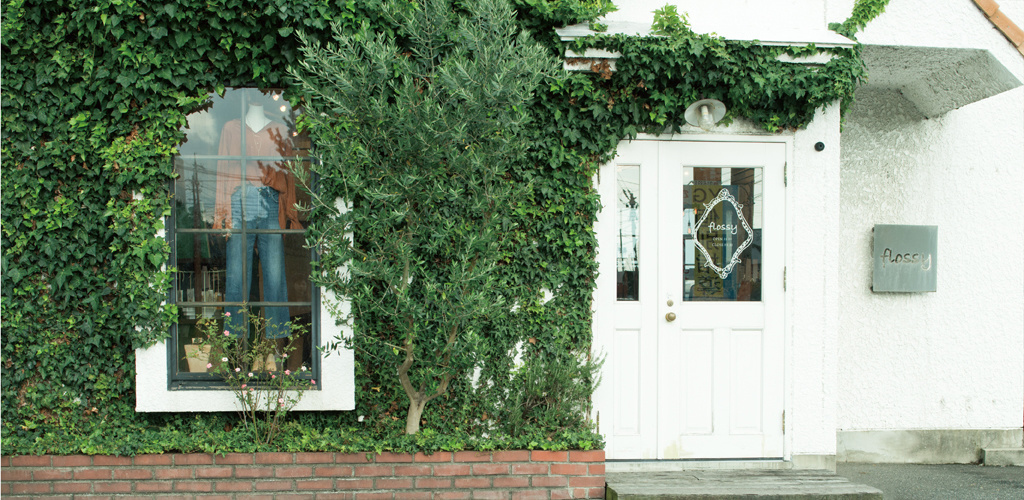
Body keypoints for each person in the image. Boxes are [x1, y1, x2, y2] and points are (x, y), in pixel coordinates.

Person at [213, 94, 301, 346]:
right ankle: (237, 345)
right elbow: (222, 169)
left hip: (271, 200)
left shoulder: (280, 130)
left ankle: (275, 347)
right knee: (237, 274)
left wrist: (292, 213)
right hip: (240, 199)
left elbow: (290, 173)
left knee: (274, 274)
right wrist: (221, 214)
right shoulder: (231, 128)